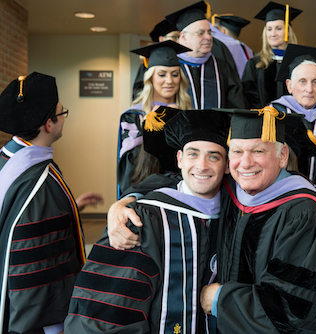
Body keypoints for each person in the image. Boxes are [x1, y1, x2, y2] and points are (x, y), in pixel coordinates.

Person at [65, 110, 230, 333]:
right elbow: (107, 312)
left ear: (227, 165)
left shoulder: (237, 214)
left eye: (213, 156)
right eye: (193, 154)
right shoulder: (142, 218)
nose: (202, 166)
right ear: (179, 159)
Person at [199, 107, 316, 333]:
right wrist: (128, 200)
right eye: (236, 152)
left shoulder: (304, 212)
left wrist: (219, 298)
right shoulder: (229, 191)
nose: (245, 163)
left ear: (282, 155)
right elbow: (179, 182)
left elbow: (293, 308)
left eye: (257, 151)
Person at [0, 72, 102, 333]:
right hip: (32, 323)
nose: (64, 117)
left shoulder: (7, 160)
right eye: (62, 111)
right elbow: (37, 267)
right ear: (48, 124)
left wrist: (69, 209)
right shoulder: (40, 184)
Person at [117, 40, 192, 198]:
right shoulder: (134, 116)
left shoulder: (188, 113)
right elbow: (130, 171)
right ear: (150, 78)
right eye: (162, 74)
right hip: (145, 195)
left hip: (183, 194)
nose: (169, 81)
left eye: (175, 74)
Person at [165, 1, 246, 109]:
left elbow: (237, 108)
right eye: (200, 33)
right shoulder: (170, 67)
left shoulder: (222, 67)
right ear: (183, 37)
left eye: (209, 32)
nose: (208, 37)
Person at [272, 43, 316, 179]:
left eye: (315, 82)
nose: (309, 89)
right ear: (289, 85)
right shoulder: (273, 114)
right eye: (302, 81)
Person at [241, 1, 301, 108]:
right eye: (269, 29)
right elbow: (248, 97)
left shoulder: (299, 64)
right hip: (263, 121)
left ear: (287, 31)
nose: (273, 33)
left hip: (293, 121)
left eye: (278, 28)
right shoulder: (255, 64)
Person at [132, 19, 180, 100]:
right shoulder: (147, 65)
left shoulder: (180, 63)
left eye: (175, 74)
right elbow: (138, 95)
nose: (178, 41)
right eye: (174, 37)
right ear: (161, 39)